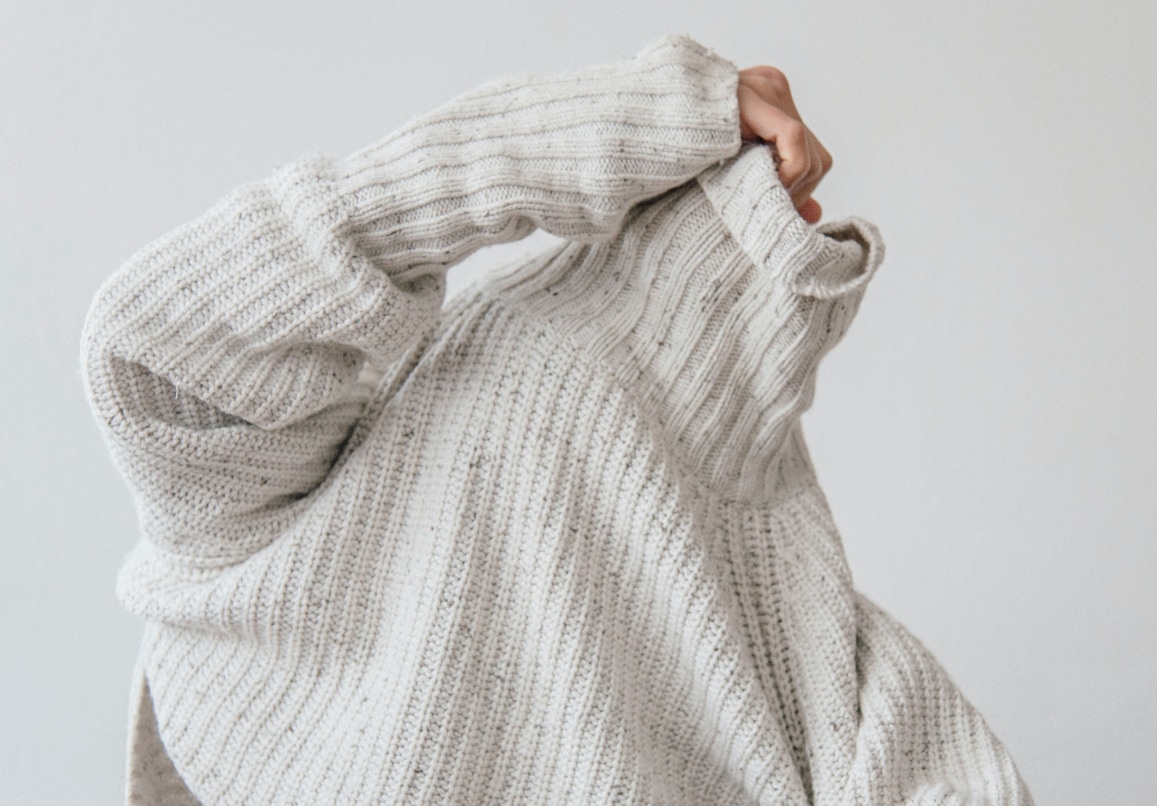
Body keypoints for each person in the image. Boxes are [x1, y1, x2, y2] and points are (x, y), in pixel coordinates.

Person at [83, 35, 1032, 805]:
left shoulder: (790, 633)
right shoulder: (793, 643)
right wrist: (654, 120)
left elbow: (157, 338)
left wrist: (644, 117)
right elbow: (157, 340)